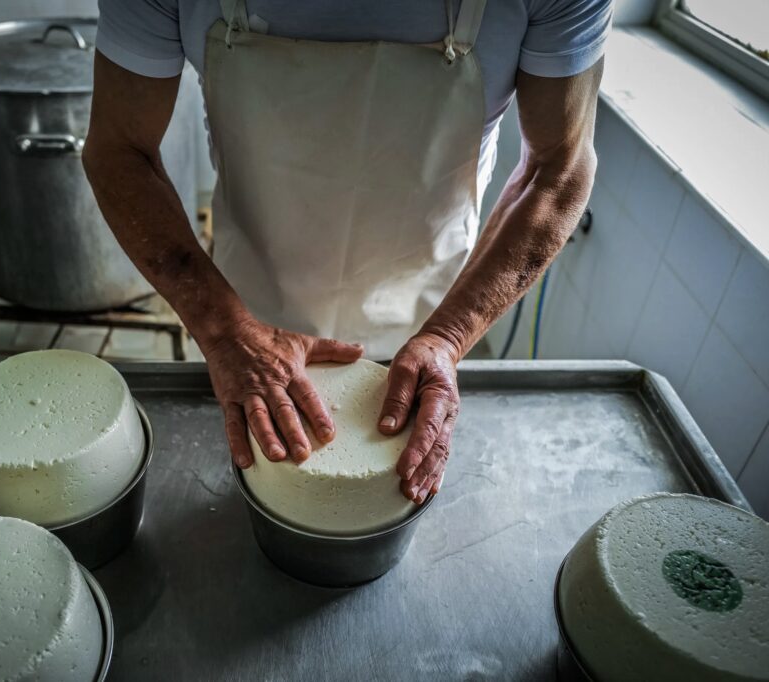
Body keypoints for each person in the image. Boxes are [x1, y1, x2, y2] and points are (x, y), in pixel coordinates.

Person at [83, 0, 610, 504]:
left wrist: (449, 338)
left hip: (430, 308)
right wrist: (223, 330)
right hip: (248, 312)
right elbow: (118, 150)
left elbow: (558, 169)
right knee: (268, 483)